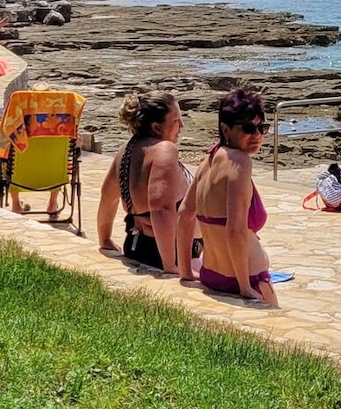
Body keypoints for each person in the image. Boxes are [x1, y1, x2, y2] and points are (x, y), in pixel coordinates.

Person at [177, 88, 278, 307]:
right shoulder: (239, 162)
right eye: (248, 128)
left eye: (262, 128)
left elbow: (185, 213)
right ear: (226, 129)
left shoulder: (208, 162)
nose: (257, 135)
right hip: (246, 277)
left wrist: (185, 270)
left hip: (211, 274)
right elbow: (235, 229)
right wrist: (245, 287)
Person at [96, 91, 195, 274]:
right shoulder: (164, 150)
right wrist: (170, 265)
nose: (181, 126)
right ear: (157, 127)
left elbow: (108, 197)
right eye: (176, 120)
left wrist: (105, 239)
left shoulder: (126, 150)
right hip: (170, 252)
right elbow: (161, 207)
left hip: (136, 244)